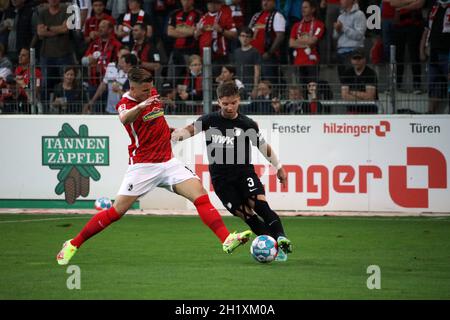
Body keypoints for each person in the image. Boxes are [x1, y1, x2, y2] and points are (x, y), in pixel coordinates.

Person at [56, 67, 251, 265]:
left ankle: (226, 239)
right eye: (145, 91)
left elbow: (157, 120)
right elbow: (125, 118)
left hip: (168, 162)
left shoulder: (152, 94)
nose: (150, 93)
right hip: (142, 166)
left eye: (151, 89)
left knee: (200, 194)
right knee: (116, 212)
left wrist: (169, 131)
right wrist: (141, 106)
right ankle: (73, 243)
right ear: (133, 88)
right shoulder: (126, 104)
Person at [171, 81, 293, 261]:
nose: (230, 107)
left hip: (244, 174)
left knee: (259, 205)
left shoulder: (247, 124)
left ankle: (281, 238)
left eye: (234, 102)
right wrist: (176, 135)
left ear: (239, 100)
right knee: (246, 215)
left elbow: (263, 147)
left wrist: (279, 167)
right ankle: (273, 244)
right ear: (218, 101)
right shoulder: (209, 120)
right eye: (225, 103)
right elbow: (186, 132)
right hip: (221, 181)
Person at [83, 49, 138, 114]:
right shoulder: (111, 66)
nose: (123, 59)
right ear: (118, 54)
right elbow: (103, 85)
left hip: (124, 112)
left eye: (126, 58)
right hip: (110, 110)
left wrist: (118, 90)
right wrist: (92, 101)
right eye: (123, 56)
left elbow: (133, 98)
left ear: (129, 63)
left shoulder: (134, 76)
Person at [421, 0, 450, 113]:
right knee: (434, 85)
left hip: (447, 53)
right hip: (433, 53)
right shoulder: (434, 8)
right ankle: (431, 113)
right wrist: (422, 49)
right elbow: (426, 31)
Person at [249, 0, 286, 84]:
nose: (265, 3)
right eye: (263, 1)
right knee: (253, 82)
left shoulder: (277, 16)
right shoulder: (256, 16)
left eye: (268, 1)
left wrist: (269, 53)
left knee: (268, 83)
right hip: (254, 57)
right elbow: (248, 32)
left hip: (268, 57)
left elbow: (280, 37)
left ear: (274, 2)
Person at [289, 0, 325, 85]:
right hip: (298, 62)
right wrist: (306, 42)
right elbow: (291, 43)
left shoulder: (319, 24)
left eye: (305, 7)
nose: (302, 9)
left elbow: (313, 41)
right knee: (302, 91)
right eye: (302, 7)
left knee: (312, 90)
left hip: (312, 62)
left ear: (313, 9)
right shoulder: (296, 26)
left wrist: (298, 41)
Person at [194, 0, 237, 69]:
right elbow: (195, 36)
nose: (212, 5)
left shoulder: (225, 16)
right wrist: (198, 32)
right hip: (204, 56)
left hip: (219, 57)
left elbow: (234, 35)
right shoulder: (203, 17)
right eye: (210, 2)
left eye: (215, 3)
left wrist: (221, 30)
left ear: (220, 5)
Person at [167, 0, 202, 81]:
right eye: (183, 0)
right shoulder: (175, 13)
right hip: (176, 50)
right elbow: (170, 32)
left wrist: (178, 29)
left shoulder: (198, 14)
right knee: (172, 78)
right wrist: (189, 30)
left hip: (190, 51)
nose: (185, 2)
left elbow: (196, 32)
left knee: (191, 77)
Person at [332, 0, 367, 82]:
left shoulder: (359, 14)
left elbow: (359, 35)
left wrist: (343, 28)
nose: (340, 1)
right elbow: (335, 36)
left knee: (353, 82)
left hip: (354, 52)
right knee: (343, 83)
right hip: (341, 52)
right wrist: (337, 30)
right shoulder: (340, 16)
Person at [340, 48, 378, 114]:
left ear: (364, 60)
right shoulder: (347, 73)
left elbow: (370, 97)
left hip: (369, 111)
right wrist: (363, 98)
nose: (357, 61)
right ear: (351, 60)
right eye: (355, 59)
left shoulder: (370, 73)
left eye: (359, 58)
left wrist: (352, 92)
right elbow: (344, 96)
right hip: (352, 110)